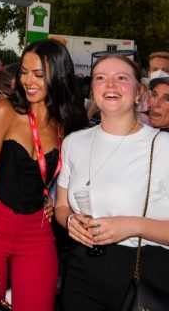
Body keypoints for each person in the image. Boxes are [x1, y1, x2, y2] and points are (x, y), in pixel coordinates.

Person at [0, 39, 88, 309]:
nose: (27, 81)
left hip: (38, 232)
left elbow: (67, 176)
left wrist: (53, 198)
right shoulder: (5, 110)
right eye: (23, 72)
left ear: (58, 75)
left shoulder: (66, 122)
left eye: (38, 74)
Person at [55, 54, 169, 309]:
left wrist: (133, 226)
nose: (110, 85)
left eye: (121, 78)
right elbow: (61, 207)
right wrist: (71, 221)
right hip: (81, 266)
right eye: (101, 78)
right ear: (92, 90)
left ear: (139, 92)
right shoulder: (74, 142)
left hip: (143, 270)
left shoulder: (162, 146)